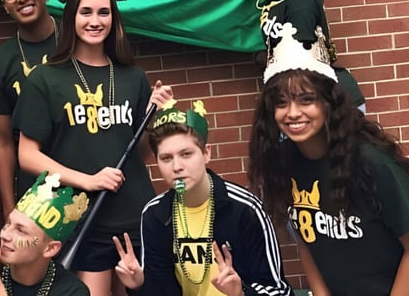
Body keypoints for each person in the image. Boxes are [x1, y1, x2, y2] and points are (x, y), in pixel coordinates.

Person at [247, 24, 409, 296]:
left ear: (327, 103)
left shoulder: (372, 161)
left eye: (306, 100)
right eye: (281, 102)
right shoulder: (282, 164)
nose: (293, 112)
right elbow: (306, 241)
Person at [12, 0, 174, 296]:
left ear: (114, 20)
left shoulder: (133, 77)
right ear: (72, 16)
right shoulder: (45, 79)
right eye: (86, 11)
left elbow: (139, 153)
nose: (95, 20)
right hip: (83, 219)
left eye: (104, 13)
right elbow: (27, 155)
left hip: (135, 216)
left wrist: (151, 116)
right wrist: (88, 180)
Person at [113, 99, 293, 296]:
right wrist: (138, 285)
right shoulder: (155, 213)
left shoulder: (245, 209)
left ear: (206, 154)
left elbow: (279, 291)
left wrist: (242, 293)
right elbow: (160, 290)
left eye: (186, 154)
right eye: (166, 158)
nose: (176, 167)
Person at [0, 0, 59, 220]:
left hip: (90, 173)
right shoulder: (0, 64)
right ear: (4, 5)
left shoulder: (78, 42)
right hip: (38, 191)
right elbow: (2, 144)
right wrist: (9, 208)